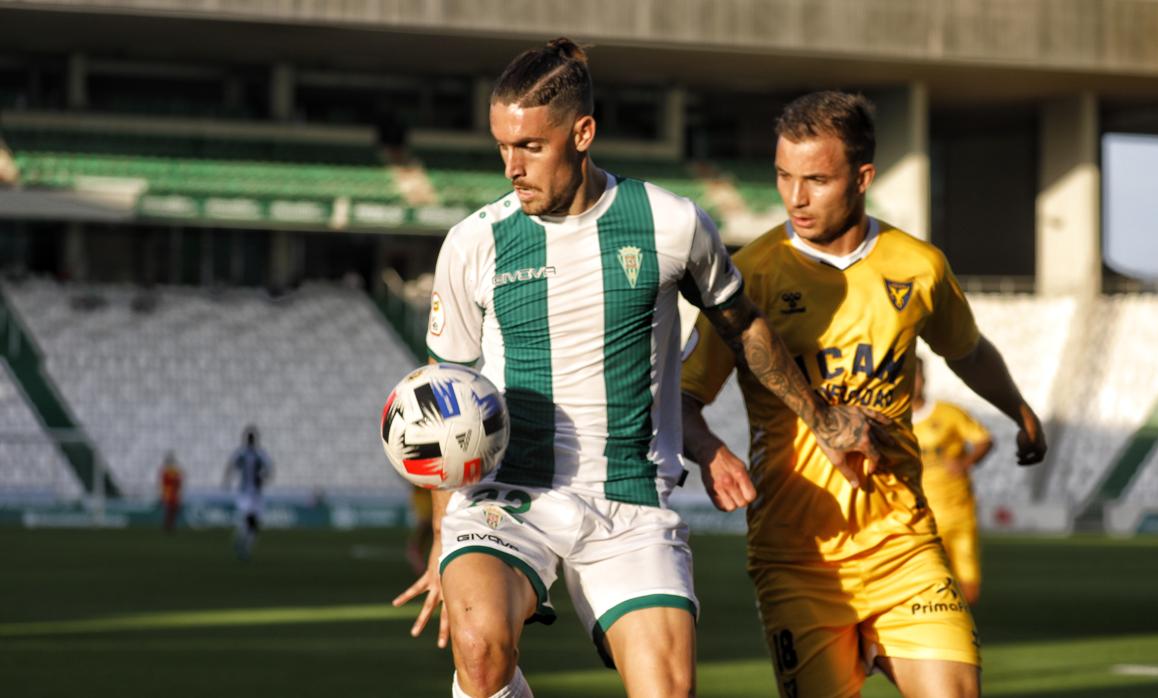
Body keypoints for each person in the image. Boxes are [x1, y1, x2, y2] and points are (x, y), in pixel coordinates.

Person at [391, 40, 886, 698]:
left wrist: (820, 419)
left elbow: (741, 326)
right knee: (480, 655)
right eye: (502, 146)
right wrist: (440, 537)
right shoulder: (473, 242)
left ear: (582, 133)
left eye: (530, 146)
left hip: (629, 502)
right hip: (508, 496)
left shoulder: (671, 223)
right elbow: (442, 397)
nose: (512, 167)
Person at [681, 91, 1046, 698]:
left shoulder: (919, 266)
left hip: (903, 542)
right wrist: (709, 451)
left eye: (816, 180)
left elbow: (967, 351)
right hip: (799, 555)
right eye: (784, 176)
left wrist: (1020, 410)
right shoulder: (749, 275)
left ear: (862, 177)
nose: (795, 198)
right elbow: (683, 397)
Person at [912, 357, 994, 605]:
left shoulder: (949, 413)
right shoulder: (891, 419)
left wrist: (966, 462)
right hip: (919, 518)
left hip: (959, 513)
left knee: (970, 590)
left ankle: (961, 625)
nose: (911, 382)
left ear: (924, 378)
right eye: (905, 376)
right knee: (928, 587)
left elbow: (984, 440)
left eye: (916, 376)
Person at [223, 425, 273, 561]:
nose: (251, 440)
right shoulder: (242, 453)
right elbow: (231, 465)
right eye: (250, 437)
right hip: (244, 493)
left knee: (254, 525)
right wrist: (227, 480)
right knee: (250, 519)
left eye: (252, 437)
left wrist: (263, 477)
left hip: (256, 493)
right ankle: (243, 547)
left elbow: (269, 469)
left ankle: (241, 542)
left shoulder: (259, 454)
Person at [158, 451, 183, 534]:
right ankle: (168, 527)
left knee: (173, 511)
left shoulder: (174, 471)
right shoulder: (167, 472)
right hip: (169, 495)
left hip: (173, 494)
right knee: (169, 511)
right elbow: (166, 483)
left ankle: (170, 526)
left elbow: (179, 482)